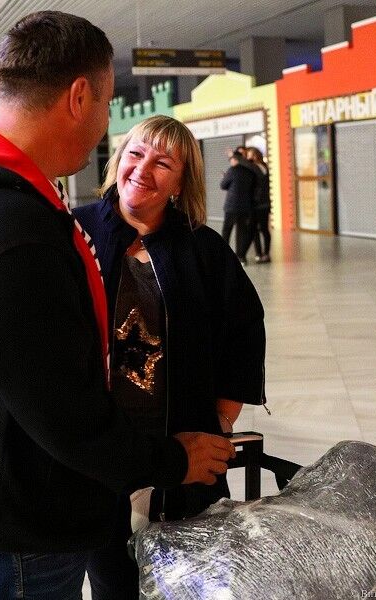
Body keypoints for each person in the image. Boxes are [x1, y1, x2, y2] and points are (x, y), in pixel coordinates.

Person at [0, 12, 237, 600]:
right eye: (106, 104)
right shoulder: (6, 228)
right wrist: (171, 460)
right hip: (8, 528)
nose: (106, 124)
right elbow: (65, 415)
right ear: (80, 96)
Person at [74, 115, 268, 600]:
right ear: (118, 159)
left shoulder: (201, 248)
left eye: (163, 163)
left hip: (186, 455)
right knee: (114, 581)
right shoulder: (77, 232)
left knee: (189, 582)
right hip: (102, 458)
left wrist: (222, 420)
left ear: (181, 182)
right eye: (136, 154)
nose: (143, 170)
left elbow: (244, 330)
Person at [219, 150, 256, 264]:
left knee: (227, 230)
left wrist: (225, 177)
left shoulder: (232, 170)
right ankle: (241, 257)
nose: (230, 162)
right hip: (245, 206)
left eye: (231, 160)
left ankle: (223, 255)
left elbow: (223, 185)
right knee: (241, 231)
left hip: (231, 206)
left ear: (235, 160)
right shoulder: (249, 172)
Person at [247, 147, 272, 263]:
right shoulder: (264, 166)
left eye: (250, 155)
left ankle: (261, 253)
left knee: (257, 230)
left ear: (255, 155)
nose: (248, 157)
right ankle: (264, 253)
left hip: (258, 204)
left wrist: (234, 156)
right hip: (264, 203)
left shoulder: (255, 167)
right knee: (263, 229)